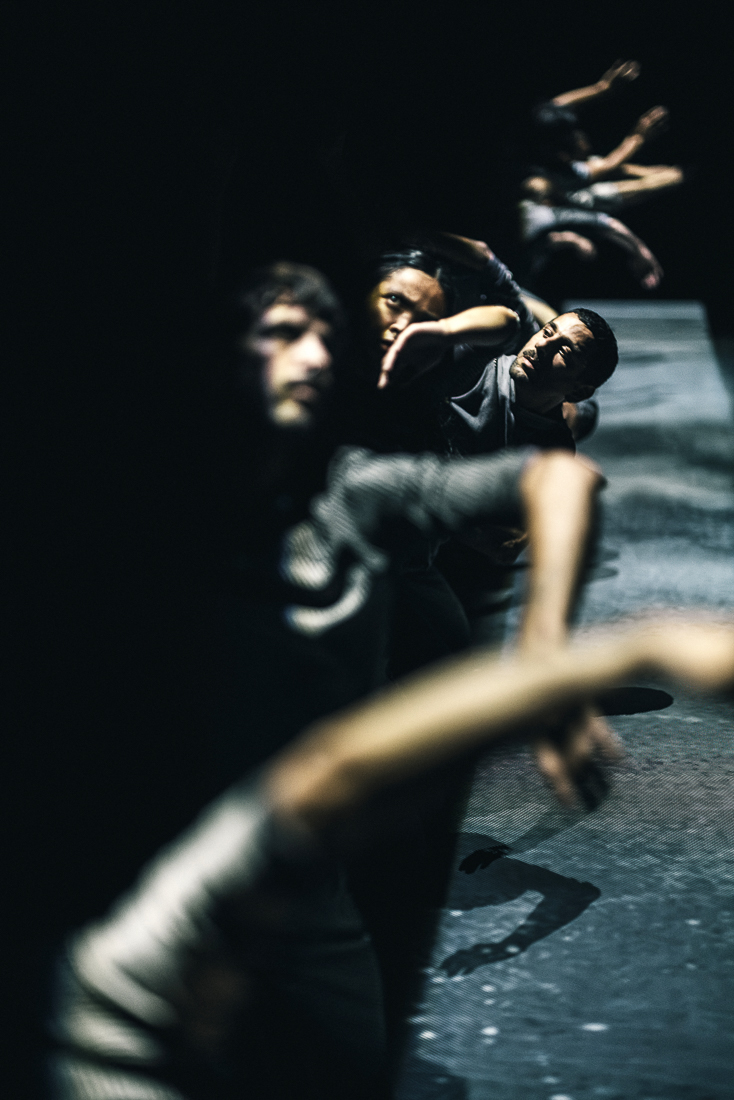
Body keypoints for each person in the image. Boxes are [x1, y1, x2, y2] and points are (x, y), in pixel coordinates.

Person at [50, 615, 734, 1099]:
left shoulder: (97, 1003)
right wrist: (633, 650)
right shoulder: (111, 1000)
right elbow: (330, 776)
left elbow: (331, 779)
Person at [521, 60, 684, 290]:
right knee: (665, 180)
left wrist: (602, 88)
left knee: (656, 175)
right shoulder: (548, 176)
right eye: (575, 138)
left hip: (565, 183)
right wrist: (639, 135)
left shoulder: (538, 131)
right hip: (568, 197)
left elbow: (558, 105)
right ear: (563, 155)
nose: (581, 137)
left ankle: (668, 174)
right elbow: (607, 166)